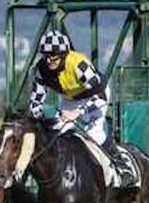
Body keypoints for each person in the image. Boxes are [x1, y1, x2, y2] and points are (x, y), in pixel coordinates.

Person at [28, 30, 136, 188]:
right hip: (70, 99)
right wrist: (39, 119)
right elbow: (36, 99)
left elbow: (99, 94)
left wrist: (78, 112)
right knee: (57, 134)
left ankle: (123, 167)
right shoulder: (41, 69)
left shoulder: (78, 63)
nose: (49, 60)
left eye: (54, 55)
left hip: (96, 94)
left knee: (93, 133)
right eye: (46, 55)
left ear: (64, 54)